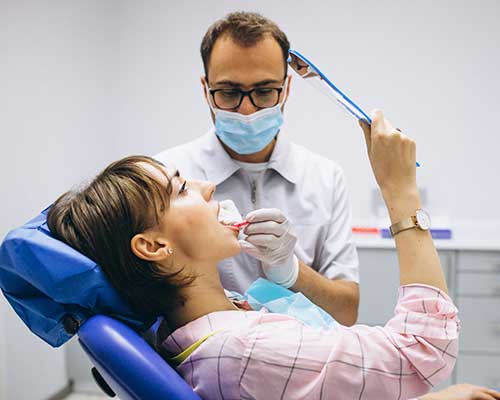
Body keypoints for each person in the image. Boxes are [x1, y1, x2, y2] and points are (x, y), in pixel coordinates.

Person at [48, 110, 460, 399]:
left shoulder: (198, 325)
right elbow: (424, 350)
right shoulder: (246, 351)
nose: (208, 187)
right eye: (181, 189)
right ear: (154, 246)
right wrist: (401, 193)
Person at [155, 11, 360, 326]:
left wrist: (290, 270)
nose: (248, 110)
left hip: (306, 353)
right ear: (206, 89)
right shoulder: (168, 175)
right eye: (229, 93)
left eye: (264, 92)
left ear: (286, 88)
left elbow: (346, 313)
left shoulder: (325, 178)